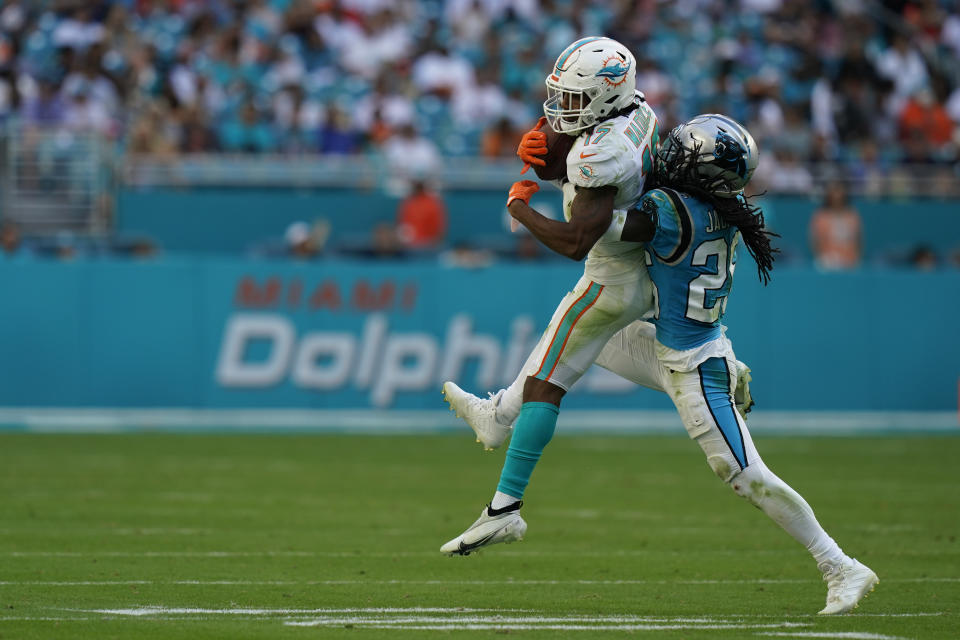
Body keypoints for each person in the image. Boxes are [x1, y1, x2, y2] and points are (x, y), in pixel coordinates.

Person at [442, 114, 879, 616]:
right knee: (580, 331)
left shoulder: (671, 210)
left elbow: (592, 231)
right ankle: (498, 414)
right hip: (677, 341)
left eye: (683, 153)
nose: (670, 155)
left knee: (744, 474)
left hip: (692, 363)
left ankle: (839, 564)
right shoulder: (725, 205)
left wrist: (548, 187)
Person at [440, 34, 662, 555]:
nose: (563, 108)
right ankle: (494, 417)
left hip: (610, 277)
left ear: (607, 94)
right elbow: (584, 168)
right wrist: (551, 162)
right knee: (554, 360)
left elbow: (575, 238)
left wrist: (521, 209)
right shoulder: (636, 112)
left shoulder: (602, 152)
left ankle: (504, 507)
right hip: (632, 268)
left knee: (545, 384)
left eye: (575, 98)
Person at [810, 182, 862, 270]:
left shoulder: (852, 215)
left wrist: (855, 257)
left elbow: (858, 239)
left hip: (850, 260)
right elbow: (815, 240)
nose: (837, 196)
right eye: (834, 192)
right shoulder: (821, 216)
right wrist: (822, 257)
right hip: (827, 260)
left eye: (839, 192)